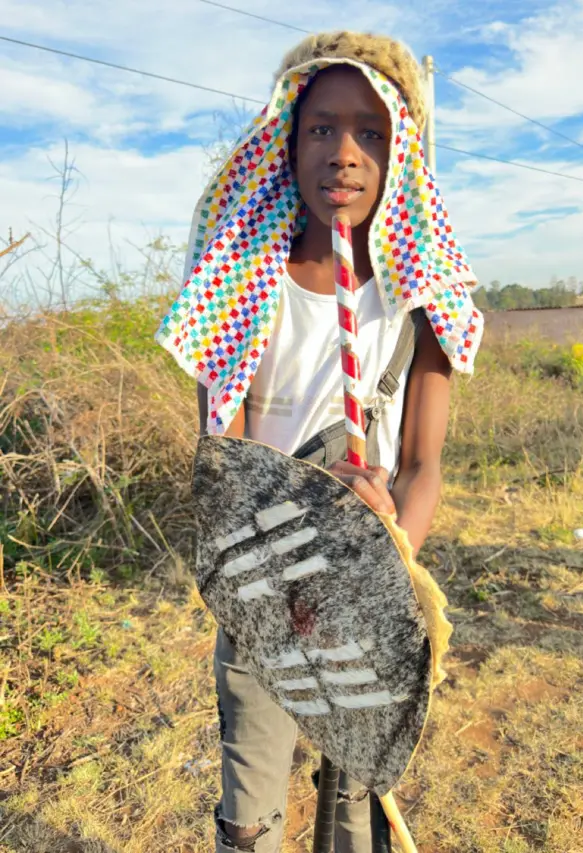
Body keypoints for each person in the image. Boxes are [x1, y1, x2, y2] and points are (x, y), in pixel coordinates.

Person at [157, 31, 483, 853]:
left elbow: (420, 466)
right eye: (322, 129)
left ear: (400, 149)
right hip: (264, 593)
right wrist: (273, 586)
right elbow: (223, 467)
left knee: (354, 802)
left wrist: (385, 554)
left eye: (371, 132)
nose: (344, 152)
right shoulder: (238, 284)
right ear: (287, 141)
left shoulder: (423, 300)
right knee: (251, 804)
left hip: (372, 597)